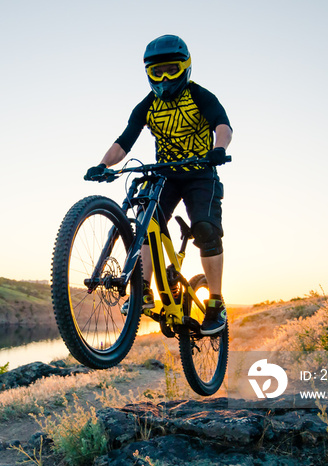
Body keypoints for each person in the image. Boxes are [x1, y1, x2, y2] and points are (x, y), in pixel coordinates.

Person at [84, 34, 232, 335]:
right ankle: (146, 292)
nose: (164, 78)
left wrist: (219, 148)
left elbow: (222, 125)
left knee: (205, 228)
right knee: (146, 226)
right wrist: (102, 164)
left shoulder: (200, 96)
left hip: (201, 173)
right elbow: (125, 141)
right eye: (156, 71)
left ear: (186, 68)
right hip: (164, 174)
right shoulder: (147, 106)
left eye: (171, 69)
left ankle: (215, 303)